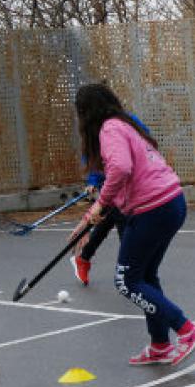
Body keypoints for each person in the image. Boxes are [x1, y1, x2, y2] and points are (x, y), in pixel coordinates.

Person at [71, 82, 195, 366]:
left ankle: (187, 330)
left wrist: (98, 205)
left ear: (86, 113)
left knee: (127, 281)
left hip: (153, 208)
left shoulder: (109, 129)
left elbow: (121, 168)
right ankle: (160, 344)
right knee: (145, 276)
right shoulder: (124, 124)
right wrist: (93, 212)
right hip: (170, 202)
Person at [70, 113, 149, 286]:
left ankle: (83, 259)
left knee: (106, 222)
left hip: (129, 184)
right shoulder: (95, 128)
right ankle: (129, 269)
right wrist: (93, 181)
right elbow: (91, 157)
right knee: (121, 222)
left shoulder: (126, 120)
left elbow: (145, 137)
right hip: (113, 185)